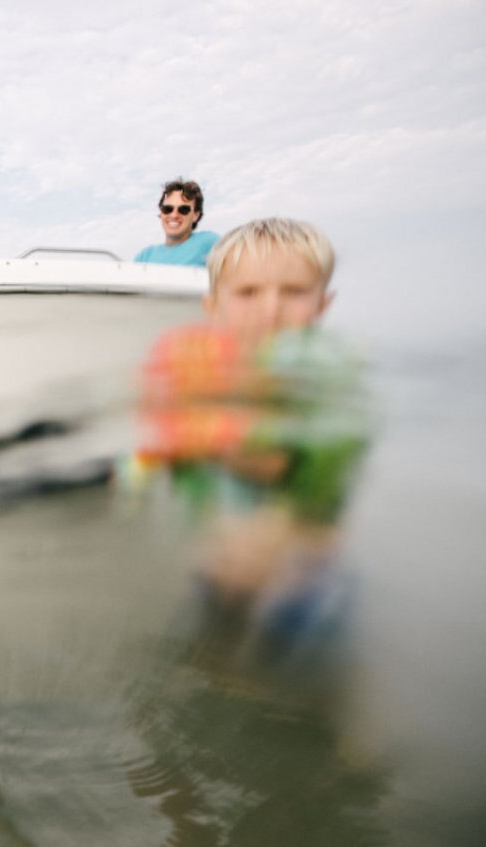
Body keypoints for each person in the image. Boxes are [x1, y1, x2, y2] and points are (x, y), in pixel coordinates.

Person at [126, 218, 370, 655]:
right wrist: (142, 466)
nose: (270, 310)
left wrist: (206, 434)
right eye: (248, 293)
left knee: (292, 663)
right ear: (212, 305)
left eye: (294, 292)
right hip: (222, 559)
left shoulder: (327, 374)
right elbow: (162, 447)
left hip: (302, 573)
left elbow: (289, 467)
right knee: (208, 644)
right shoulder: (191, 361)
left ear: (323, 304)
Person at [134, 177, 220, 266]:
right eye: (167, 209)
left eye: (183, 209)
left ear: (196, 215)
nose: (174, 215)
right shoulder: (144, 257)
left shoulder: (210, 243)